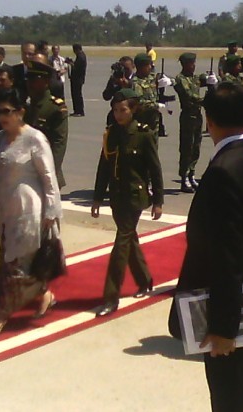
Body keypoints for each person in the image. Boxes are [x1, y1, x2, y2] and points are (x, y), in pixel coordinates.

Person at [168, 82, 243, 412]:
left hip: (233, 316)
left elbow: (228, 256)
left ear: (208, 120)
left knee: (232, 398)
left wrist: (224, 327)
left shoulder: (224, 171)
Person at [0, 92, 63, 339]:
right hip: (5, 212)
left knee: (10, 268)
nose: (3, 117)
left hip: (29, 212)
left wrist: (52, 212)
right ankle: (44, 293)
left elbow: (49, 178)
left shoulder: (35, 139)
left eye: (7, 111)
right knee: (20, 265)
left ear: (20, 112)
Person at [91, 89, 163, 317]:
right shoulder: (111, 134)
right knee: (129, 237)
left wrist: (158, 201)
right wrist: (97, 197)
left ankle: (110, 297)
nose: (118, 114)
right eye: (115, 110)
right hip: (117, 196)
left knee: (121, 244)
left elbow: (155, 169)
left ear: (133, 110)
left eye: (123, 110)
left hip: (134, 196)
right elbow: (104, 167)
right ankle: (144, 280)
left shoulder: (143, 135)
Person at [24, 58, 68, 189]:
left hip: (46, 175)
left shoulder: (55, 108)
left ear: (46, 81)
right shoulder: (25, 107)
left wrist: (48, 175)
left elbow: (59, 144)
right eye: (28, 78)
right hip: (25, 173)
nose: (30, 83)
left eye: (35, 78)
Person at [173, 53, 207, 193]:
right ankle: (184, 177)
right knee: (187, 147)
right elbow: (189, 95)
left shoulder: (195, 78)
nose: (193, 66)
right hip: (187, 116)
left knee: (196, 146)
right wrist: (205, 100)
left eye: (194, 63)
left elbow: (206, 81)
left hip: (197, 115)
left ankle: (191, 174)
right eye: (191, 63)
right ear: (184, 64)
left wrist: (212, 79)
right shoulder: (180, 79)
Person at [131, 53, 162, 140]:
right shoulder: (135, 82)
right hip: (143, 121)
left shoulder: (151, 78)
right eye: (148, 65)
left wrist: (166, 81)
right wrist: (157, 105)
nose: (150, 67)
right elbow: (140, 103)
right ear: (141, 67)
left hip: (154, 122)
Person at [69, 43, 87, 116]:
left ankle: (79, 111)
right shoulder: (80, 56)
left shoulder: (81, 57)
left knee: (77, 95)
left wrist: (71, 63)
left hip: (77, 79)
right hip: (77, 79)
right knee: (76, 95)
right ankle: (77, 110)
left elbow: (77, 68)